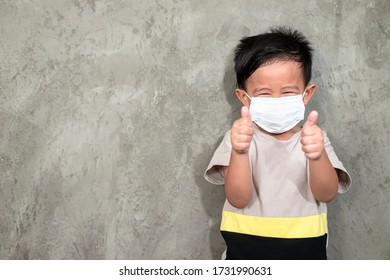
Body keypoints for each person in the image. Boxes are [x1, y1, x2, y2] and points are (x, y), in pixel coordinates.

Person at [204, 27, 351, 260]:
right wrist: (240, 153)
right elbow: (238, 198)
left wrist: (317, 156)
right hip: (244, 258)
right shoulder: (237, 139)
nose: (277, 101)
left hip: (305, 259)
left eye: (287, 92)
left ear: (306, 94)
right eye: (264, 93)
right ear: (244, 97)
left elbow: (326, 194)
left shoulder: (315, 139)